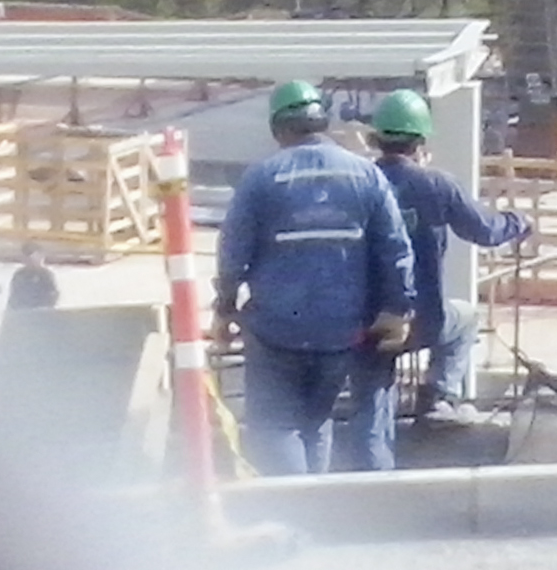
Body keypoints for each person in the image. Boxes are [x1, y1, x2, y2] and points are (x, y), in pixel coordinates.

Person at [213, 80, 415, 476]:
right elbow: (395, 247)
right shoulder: (366, 175)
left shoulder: (262, 178)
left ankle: (298, 506)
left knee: (276, 426)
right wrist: (397, 309)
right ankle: (318, 501)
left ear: (277, 128)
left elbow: (233, 250)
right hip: (340, 332)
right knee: (316, 420)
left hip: (276, 329)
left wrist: (224, 307)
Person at [345, 89, 532, 471]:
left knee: (371, 411)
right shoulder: (436, 184)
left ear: (376, 139)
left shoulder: (357, 184)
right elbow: (485, 230)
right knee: (466, 319)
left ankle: (369, 483)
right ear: (421, 142)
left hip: (365, 325)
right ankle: (438, 398)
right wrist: (518, 222)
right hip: (423, 321)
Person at [5, 242, 59, 311]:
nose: (29, 260)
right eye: (26, 257)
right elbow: (13, 297)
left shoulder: (46, 275)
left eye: (32, 257)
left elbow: (53, 296)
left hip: (41, 312)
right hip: (22, 311)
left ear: (40, 256)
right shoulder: (19, 275)